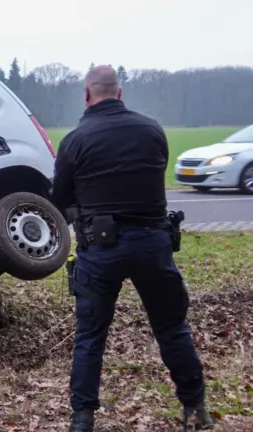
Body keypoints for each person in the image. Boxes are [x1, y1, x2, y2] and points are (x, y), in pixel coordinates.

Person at [52, 65, 213, 431]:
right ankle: (196, 409)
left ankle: (82, 420)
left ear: (87, 95)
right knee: (172, 328)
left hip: (99, 248)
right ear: (119, 93)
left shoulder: (75, 141)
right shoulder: (152, 130)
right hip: (152, 243)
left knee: (90, 337)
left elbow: (59, 198)